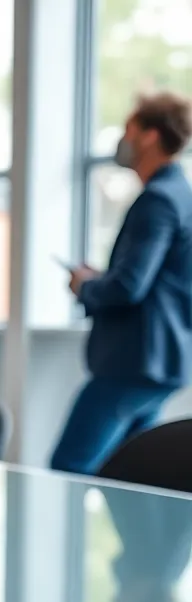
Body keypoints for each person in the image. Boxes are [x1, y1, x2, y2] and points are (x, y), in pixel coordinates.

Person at [51, 92, 192, 475]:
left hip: (134, 362)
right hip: (160, 362)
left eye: (128, 130)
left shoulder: (159, 200)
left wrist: (84, 286)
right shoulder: (181, 195)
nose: (122, 140)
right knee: (132, 476)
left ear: (150, 135)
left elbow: (130, 287)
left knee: (67, 469)